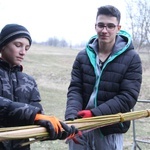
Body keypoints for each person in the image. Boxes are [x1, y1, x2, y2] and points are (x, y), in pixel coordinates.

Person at [65, 5, 142, 150]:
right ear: (95, 26)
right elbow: (75, 89)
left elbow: (128, 97)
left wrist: (94, 114)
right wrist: (71, 120)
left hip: (108, 129)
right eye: (101, 25)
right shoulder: (82, 56)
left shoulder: (132, 58)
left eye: (110, 26)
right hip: (80, 128)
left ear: (118, 28)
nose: (104, 30)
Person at [0, 23, 77, 150]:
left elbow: (39, 124)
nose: (23, 52)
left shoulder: (29, 81)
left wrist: (59, 130)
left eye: (26, 48)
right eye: (18, 45)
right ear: (3, 45)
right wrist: (34, 115)